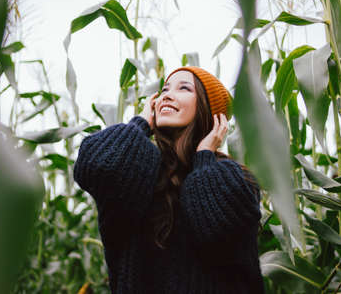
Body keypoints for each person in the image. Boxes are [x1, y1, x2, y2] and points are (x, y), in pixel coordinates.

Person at [73, 66, 265, 293]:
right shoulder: (140, 173)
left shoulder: (231, 176)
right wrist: (140, 123)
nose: (167, 95)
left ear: (210, 110)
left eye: (184, 88)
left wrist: (204, 156)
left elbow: (217, 232)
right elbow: (93, 165)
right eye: (164, 90)